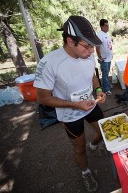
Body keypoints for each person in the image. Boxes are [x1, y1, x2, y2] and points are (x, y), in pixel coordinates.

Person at [34, 15, 106, 192]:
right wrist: (75, 105)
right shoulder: (49, 63)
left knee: (104, 133)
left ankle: (94, 145)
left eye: (92, 46)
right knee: (79, 148)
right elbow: (42, 98)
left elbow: (92, 76)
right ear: (70, 41)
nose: (91, 51)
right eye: (87, 46)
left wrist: (97, 90)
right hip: (69, 113)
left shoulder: (88, 55)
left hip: (90, 104)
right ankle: (85, 171)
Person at [96, 19, 114, 96]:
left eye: (108, 26)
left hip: (109, 57)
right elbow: (97, 47)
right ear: (101, 26)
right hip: (104, 58)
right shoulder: (99, 35)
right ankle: (106, 89)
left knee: (107, 72)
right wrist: (100, 56)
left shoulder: (107, 33)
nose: (108, 27)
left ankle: (107, 84)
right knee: (105, 74)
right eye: (106, 26)